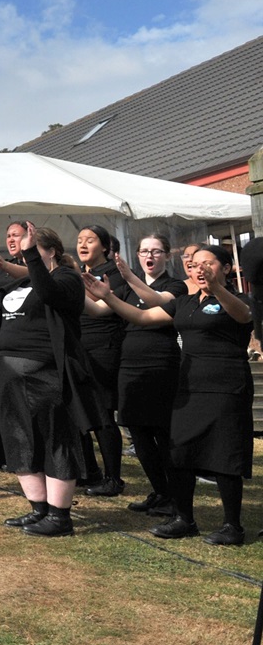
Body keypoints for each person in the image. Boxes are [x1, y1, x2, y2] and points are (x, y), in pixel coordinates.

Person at [85, 246, 253, 545]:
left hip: (226, 388)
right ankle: (184, 518)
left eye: (208, 264)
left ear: (226, 268)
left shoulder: (238, 299)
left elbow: (243, 316)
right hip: (187, 387)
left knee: (225, 456)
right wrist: (107, 296)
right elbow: (141, 317)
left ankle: (232, 526)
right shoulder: (185, 303)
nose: (200, 269)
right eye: (194, 265)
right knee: (180, 454)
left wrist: (217, 289)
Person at [0, 223, 105, 537]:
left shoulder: (66, 279)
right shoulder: (19, 283)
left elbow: (49, 292)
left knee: (56, 441)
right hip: (7, 374)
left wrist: (29, 256)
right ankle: (38, 509)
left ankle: (60, 516)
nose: (27, 253)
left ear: (52, 251)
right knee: (20, 439)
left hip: (46, 374)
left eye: (33, 247)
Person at [109, 236, 186, 518]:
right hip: (130, 365)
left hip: (160, 365)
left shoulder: (174, 285)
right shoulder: (127, 288)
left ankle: (176, 496)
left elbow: (160, 304)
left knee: (162, 434)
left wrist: (128, 276)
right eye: (144, 251)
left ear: (166, 255)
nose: (149, 255)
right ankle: (159, 491)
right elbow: (104, 307)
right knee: (138, 433)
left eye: (155, 251)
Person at [75, 224, 128, 494]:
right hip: (78, 347)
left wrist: (75, 280)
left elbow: (102, 308)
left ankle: (113, 478)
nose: (83, 245)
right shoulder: (79, 273)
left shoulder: (113, 274)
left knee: (103, 412)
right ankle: (88, 471)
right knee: (79, 411)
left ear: (106, 247)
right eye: (80, 240)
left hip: (104, 348)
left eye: (90, 240)